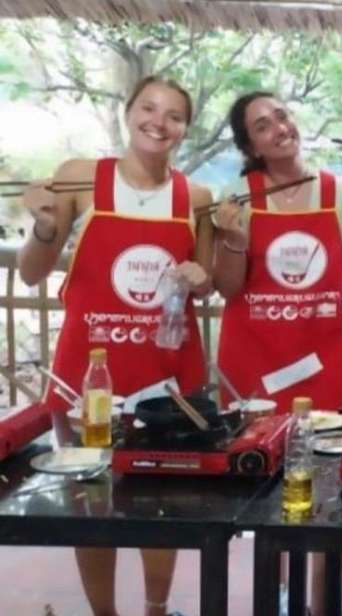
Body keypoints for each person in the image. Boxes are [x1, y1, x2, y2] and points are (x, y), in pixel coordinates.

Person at [17, 75, 214, 616]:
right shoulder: (80, 177)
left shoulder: (194, 197)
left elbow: (211, 281)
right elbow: (33, 274)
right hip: (90, 377)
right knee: (89, 506)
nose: (160, 121)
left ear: (185, 129)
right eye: (149, 108)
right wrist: (41, 227)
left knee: (164, 506)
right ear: (129, 114)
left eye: (175, 114)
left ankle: (155, 610)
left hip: (166, 379)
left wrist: (201, 277)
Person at [212, 91, 342, 413]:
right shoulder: (236, 197)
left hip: (324, 362)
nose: (280, 128)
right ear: (251, 147)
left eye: (282, 116)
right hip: (253, 360)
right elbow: (228, 288)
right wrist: (234, 239)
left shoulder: (341, 195)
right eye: (263, 127)